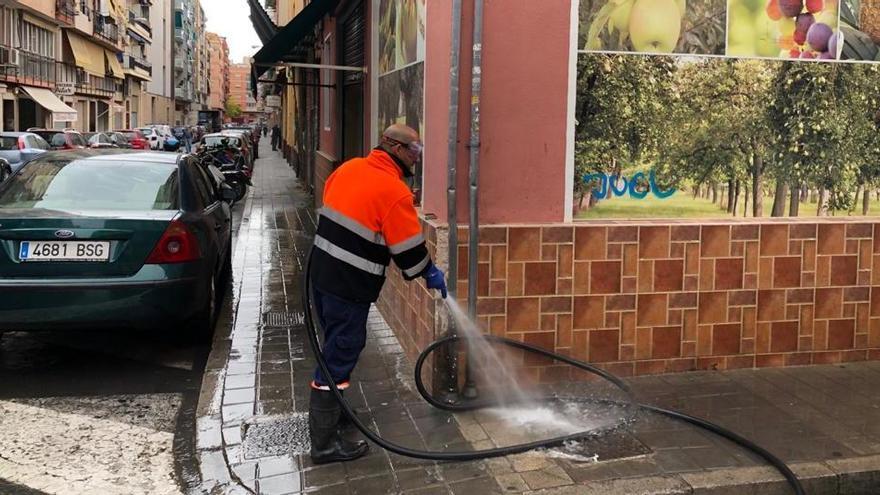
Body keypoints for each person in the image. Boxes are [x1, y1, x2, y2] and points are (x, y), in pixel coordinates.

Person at [307, 124, 447, 465]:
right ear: (394, 147)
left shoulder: (348, 168)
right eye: (413, 151)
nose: (416, 158)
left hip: (321, 277)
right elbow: (409, 252)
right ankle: (324, 445)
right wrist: (429, 271)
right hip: (349, 286)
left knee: (333, 346)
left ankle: (336, 410)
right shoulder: (394, 191)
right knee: (340, 354)